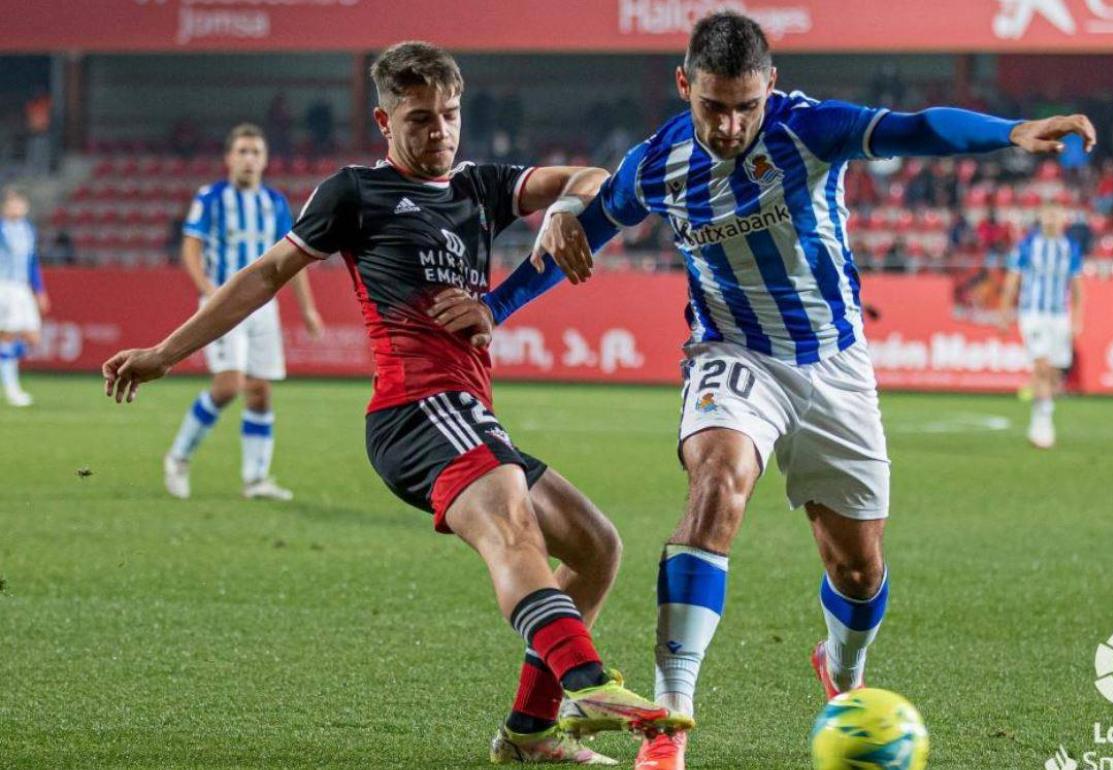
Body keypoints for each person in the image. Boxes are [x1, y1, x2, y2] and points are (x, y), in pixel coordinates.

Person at [450, 12, 1096, 769]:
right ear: (684, 85)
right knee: (718, 483)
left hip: (834, 364)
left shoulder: (807, 130)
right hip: (732, 354)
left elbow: (916, 129)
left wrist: (1011, 132)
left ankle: (842, 672)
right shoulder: (657, 164)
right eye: (714, 106)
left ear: (771, 90)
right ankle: (669, 721)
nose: (730, 125)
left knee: (857, 568)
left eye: (746, 106)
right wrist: (493, 308)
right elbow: (577, 240)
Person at [103, 40, 691, 766]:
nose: (439, 131)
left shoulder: (481, 185)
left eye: (449, 115)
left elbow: (595, 175)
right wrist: (166, 351)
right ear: (385, 122)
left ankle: (530, 733)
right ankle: (588, 680)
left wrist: (566, 209)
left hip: (466, 411)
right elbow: (265, 275)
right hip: (416, 409)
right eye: (419, 119)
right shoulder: (354, 192)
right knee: (512, 525)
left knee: (598, 547)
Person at [162, 123, 324, 501]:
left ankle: (255, 479)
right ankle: (179, 457)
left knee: (260, 392)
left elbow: (293, 259)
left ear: (265, 160)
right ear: (229, 158)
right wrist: (208, 293)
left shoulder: (275, 203)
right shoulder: (211, 197)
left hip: (263, 310)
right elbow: (191, 249)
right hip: (221, 306)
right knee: (227, 386)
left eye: (256, 152)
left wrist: (308, 310)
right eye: (242, 152)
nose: (249, 159)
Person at [1001, 203, 1084, 449]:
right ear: (1040, 218)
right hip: (1033, 313)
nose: (1051, 220)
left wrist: (1078, 318)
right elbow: (1012, 279)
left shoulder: (1070, 248)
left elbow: (1078, 287)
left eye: (1056, 215)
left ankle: (1043, 413)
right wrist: (1005, 310)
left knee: (1055, 372)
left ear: (1064, 220)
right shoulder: (1027, 245)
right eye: (1048, 215)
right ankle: (1042, 425)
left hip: (1059, 316)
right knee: (1041, 365)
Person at [0, 188, 50, 407]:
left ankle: (10, 378)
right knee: (7, 336)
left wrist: (39, 290)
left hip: (22, 288)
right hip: (4, 286)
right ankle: (12, 390)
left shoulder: (28, 230)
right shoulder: (1, 229)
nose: (17, 207)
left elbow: (32, 263)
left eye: (20, 203)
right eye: (12, 204)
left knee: (33, 337)